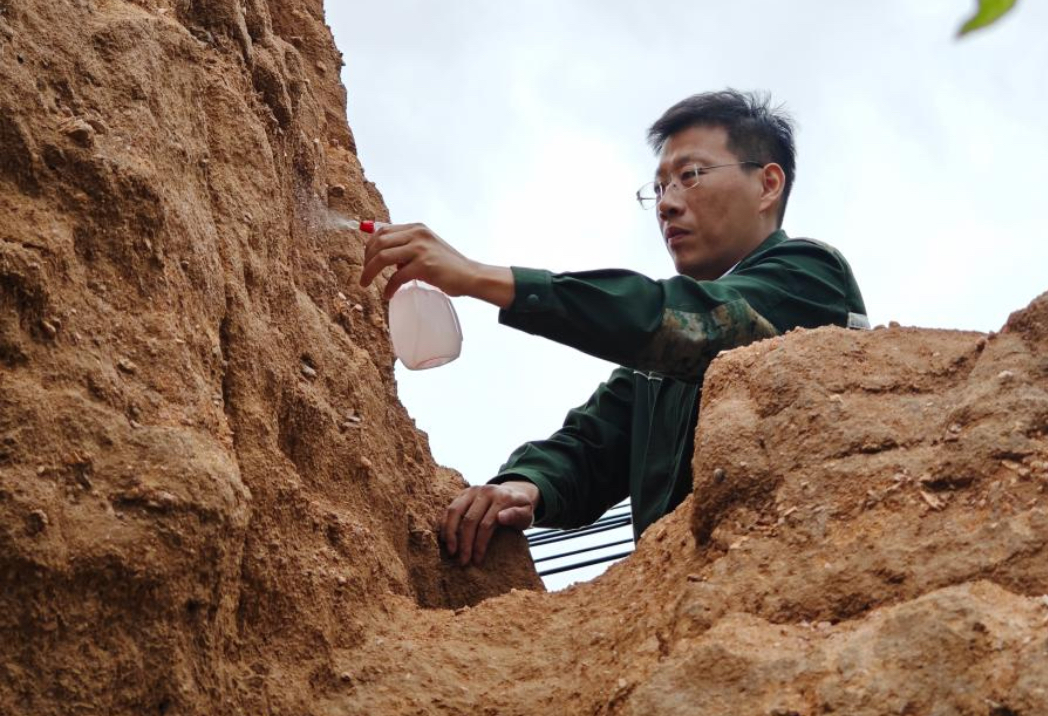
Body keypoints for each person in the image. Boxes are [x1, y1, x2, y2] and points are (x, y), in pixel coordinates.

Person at [358, 89, 867, 568]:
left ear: (767, 184)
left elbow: (685, 320)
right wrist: (524, 486)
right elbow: (591, 445)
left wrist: (477, 277)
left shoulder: (809, 277)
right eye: (660, 187)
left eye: (690, 175)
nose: (667, 203)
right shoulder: (658, 367)